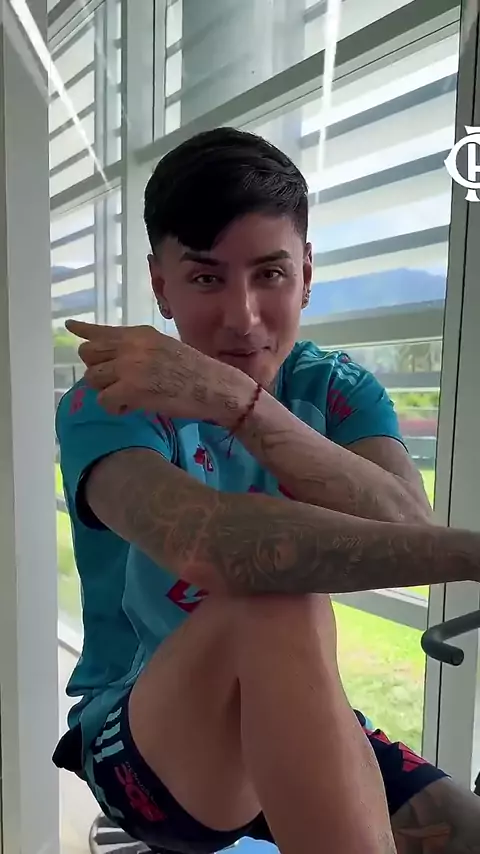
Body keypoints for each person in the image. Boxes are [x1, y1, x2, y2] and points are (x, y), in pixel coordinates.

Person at [53, 127, 480, 854]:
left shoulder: (337, 389)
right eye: (207, 279)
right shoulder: (112, 397)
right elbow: (212, 548)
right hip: (143, 735)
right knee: (275, 599)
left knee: (464, 828)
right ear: (161, 285)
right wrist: (236, 399)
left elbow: (407, 520)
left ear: (306, 272)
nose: (243, 318)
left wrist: (247, 408)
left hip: (286, 700)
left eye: (270, 274)